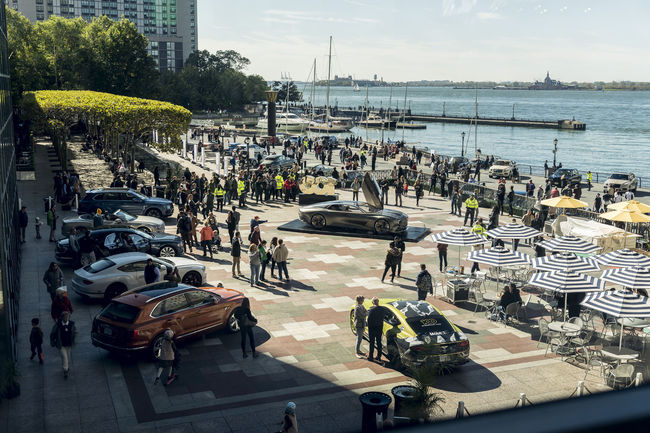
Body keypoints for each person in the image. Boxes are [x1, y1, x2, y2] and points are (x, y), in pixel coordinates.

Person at [50, 311, 76, 379]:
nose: (66, 318)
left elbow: (75, 332)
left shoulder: (71, 324)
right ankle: (65, 370)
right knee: (64, 357)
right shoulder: (58, 325)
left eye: (67, 317)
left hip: (69, 344)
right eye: (65, 317)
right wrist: (53, 342)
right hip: (61, 345)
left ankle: (66, 366)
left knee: (67, 356)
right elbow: (52, 333)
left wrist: (74, 340)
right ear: (62, 317)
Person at [367, 297, 386, 363]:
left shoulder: (371, 310)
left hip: (372, 328)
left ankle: (370, 356)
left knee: (372, 342)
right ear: (378, 301)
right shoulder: (382, 309)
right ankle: (379, 356)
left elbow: (369, 320)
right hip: (379, 327)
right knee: (379, 342)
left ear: (372, 302)